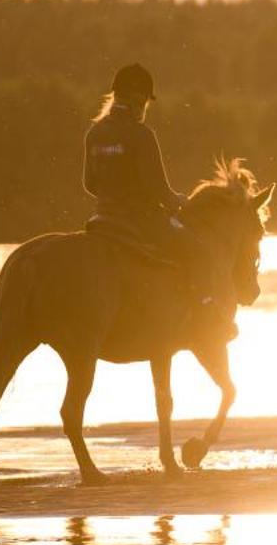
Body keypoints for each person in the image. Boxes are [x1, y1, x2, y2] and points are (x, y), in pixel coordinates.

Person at [83, 64, 232, 340]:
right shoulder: (142, 135)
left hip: (101, 221)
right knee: (201, 253)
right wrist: (178, 201)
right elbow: (159, 190)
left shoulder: (95, 134)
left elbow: (90, 185)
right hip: (141, 223)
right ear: (140, 100)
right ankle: (207, 319)